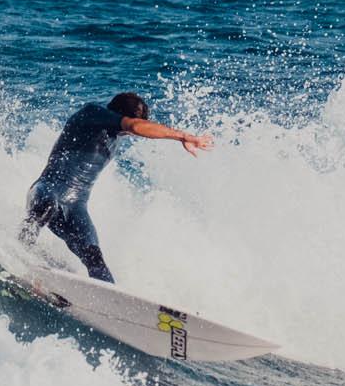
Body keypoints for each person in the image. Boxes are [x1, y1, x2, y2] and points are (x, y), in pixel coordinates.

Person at [18, 91, 209, 283]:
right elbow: (134, 126)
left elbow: (133, 126)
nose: (128, 134)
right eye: (127, 127)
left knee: (95, 258)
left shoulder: (114, 135)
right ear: (120, 114)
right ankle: (19, 251)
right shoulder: (92, 112)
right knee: (49, 204)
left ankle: (109, 301)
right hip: (45, 190)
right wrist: (183, 136)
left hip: (75, 208)